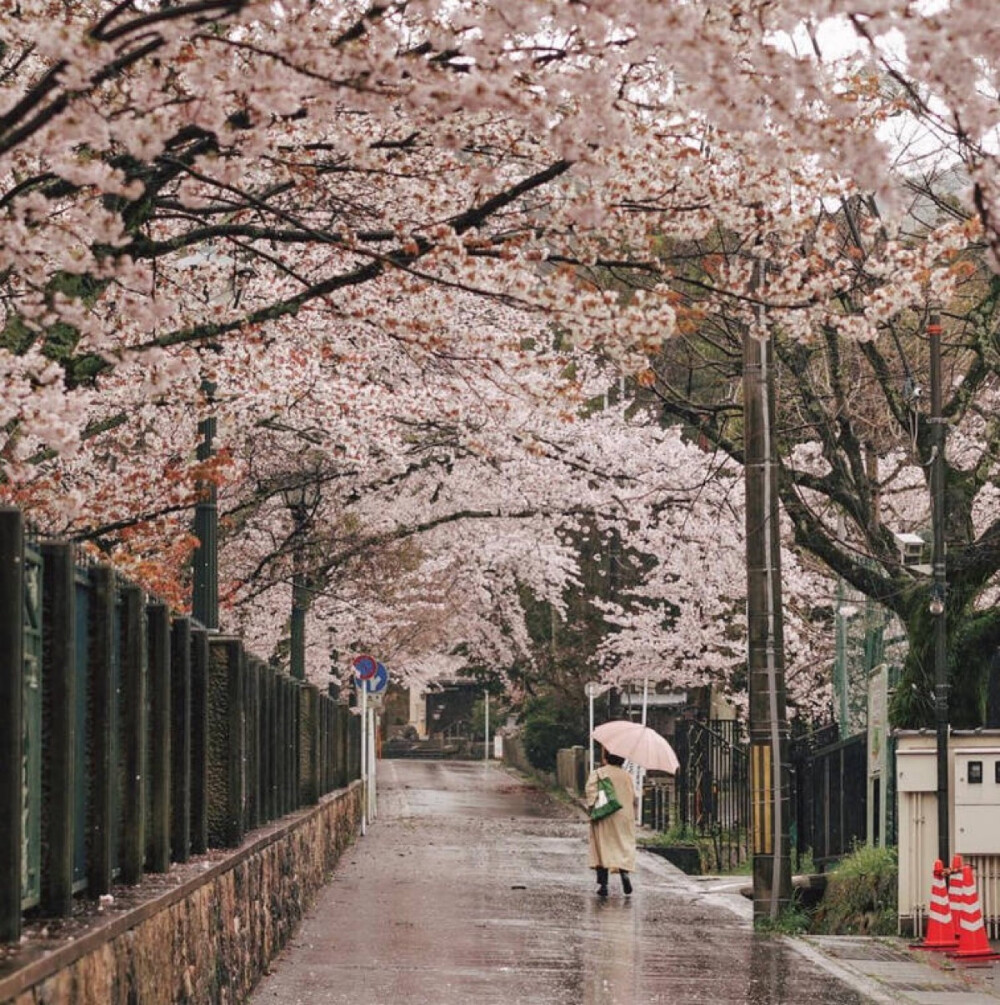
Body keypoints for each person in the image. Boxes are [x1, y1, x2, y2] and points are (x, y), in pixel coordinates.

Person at [585, 748, 636, 897]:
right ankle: (624, 873)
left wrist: (593, 807)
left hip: (605, 814)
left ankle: (603, 885)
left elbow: (590, 793)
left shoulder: (599, 773)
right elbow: (632, 796)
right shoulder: (627, 776)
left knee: (602, 847)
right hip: (624, 816)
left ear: (606, 758)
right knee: (623, 845)